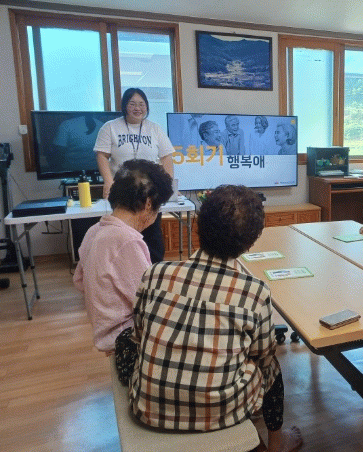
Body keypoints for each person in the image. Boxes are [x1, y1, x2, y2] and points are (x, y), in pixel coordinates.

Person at [129, 185, 303, 452]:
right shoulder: (254, 291)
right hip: (220, 412)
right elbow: (263, 356)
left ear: (198, 226)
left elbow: (140, 334)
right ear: (250, 242)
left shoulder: (155, 273)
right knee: (271, 368)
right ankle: (277, 443)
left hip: (148, 409)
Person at [73, 159, 173, 385]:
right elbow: (148, 302)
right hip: (126, 339)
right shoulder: (126, 240)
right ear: (148, 204)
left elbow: (79, 281)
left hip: (105, 331)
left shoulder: (94, 230)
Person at [94, 88, 175, 263]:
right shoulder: (110, 127)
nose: (137, 108)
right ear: (125, 106)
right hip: (123, 191)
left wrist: (167, 185)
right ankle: (126, 267)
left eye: (141, 104)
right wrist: (108, 182)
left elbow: (167, 157)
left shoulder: (155, 128)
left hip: (149, 191)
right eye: (132, 104)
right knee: (123, 231)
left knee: (152, 233)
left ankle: (152, 268)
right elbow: (102, 155)